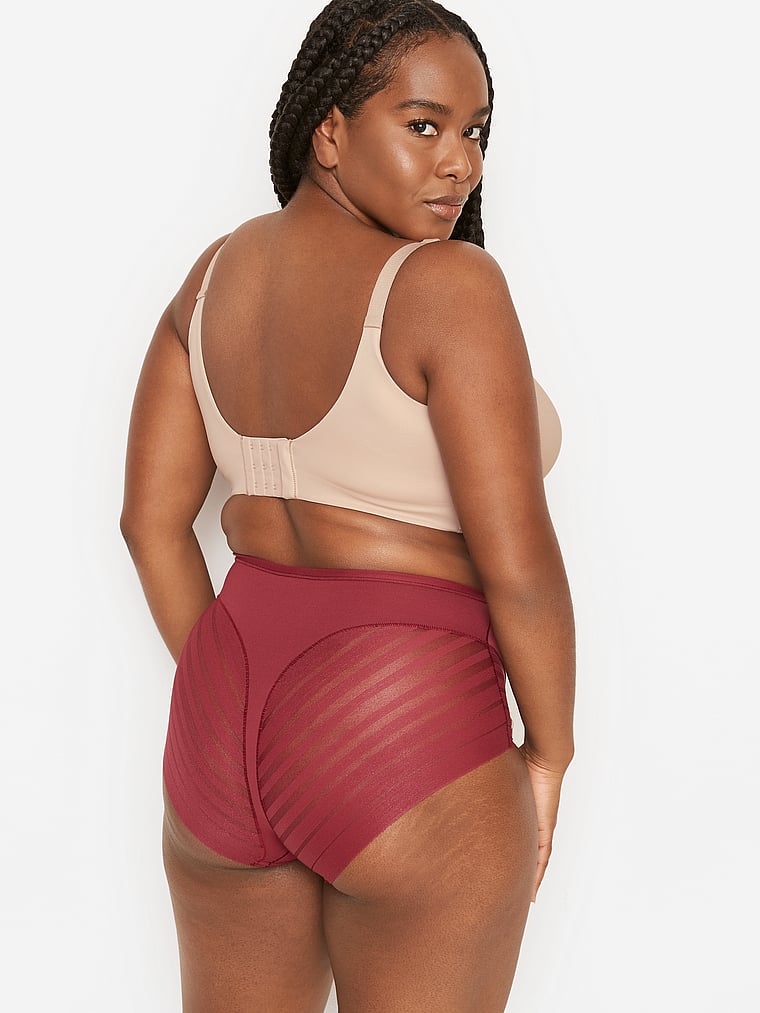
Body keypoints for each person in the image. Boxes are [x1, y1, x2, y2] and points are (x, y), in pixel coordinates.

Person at [121, 1, 575, 1009]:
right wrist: (549, 751)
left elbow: (149, 524)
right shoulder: (449, 286)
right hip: (403, 718)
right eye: (423, 125)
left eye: (475, 131)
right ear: (329, 133)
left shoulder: (211, 280)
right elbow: (519, 562)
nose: (460, 163)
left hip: (220, 721)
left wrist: (237, 695)